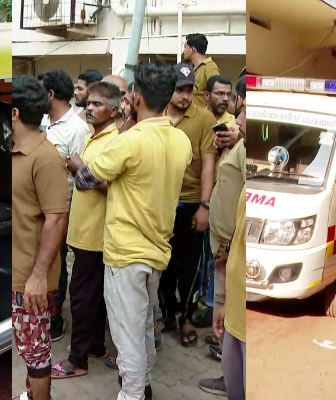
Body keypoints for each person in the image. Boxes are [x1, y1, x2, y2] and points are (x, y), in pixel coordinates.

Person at [75, 61, 192, 400]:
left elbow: (85, 179)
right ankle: (145, 386)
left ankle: (133, 394)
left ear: (136, 98)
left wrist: (124, 129)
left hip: (125, 254)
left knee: (128, 341)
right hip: (157, 251)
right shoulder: (181, 140)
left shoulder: (129, 142)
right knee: (141, 328)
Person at [50, 82, 121, 379]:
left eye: (98, 104)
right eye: (88, 103)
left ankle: (77, 361)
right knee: (91, 297)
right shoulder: (95, 137)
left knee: (79, 298)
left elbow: (114, 190)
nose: (89, 108)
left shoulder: (114, 142)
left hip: (95, 235)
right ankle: (94, 346)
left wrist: (78, 169)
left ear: (115, 110)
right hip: (84, 232)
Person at [10, 75, 69, 400]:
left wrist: (37, 276)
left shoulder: (45, 157)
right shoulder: (17, 150)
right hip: (16, 270)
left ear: (15, 113)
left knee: (36, 353)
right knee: (25, 347)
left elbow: (57, 218)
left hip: (30, 279)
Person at [158, 63, 217, 347]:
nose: (184, 96)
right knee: (164, 264)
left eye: (188, 90)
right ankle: (169, 313)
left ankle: (188, 318)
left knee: (191, 267)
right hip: (161, 204)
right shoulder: (156, 116)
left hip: (192, 203)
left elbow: (208, 165)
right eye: (179, 90)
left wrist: (205, 205)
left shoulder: (203, 118)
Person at [38, 69, 91, 341]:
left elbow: (82, 173)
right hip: (38, 207)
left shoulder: (77, 129)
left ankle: (56, 315)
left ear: (50, 94)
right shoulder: (42, 121)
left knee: (56, 262)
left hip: (62, 208)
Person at [198, 109, 246, 397]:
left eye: (241, 122)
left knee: (229, 313)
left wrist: (229, 245)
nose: (236, 125)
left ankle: (231, 378)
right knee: (223, 308)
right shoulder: (238, 146)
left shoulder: (246, 153)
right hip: (225, 246)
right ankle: (229, 374)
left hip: (232, 251)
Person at [183, 33, 221, 107]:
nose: (184, 51)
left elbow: (218, 94)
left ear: (192, 49)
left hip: (201, 116)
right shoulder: (190, 69)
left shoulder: (210, 67)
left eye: (185, 47)